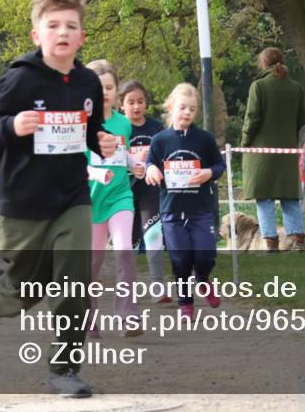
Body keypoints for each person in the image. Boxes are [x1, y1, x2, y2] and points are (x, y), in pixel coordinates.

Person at [0, 0, 116, 398]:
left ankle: (64, 370)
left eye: (71, 26)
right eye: (53, 25)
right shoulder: (22, 79)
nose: (63, 33)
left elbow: (90, 132)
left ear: (82, 37)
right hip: (24, 202)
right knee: (22, 289)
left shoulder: (89, 83)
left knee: (73, 283)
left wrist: (100, 141)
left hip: (72, 197)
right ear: (37, 34)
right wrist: (13, 125)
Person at [145, 83, 225, 319]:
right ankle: (185, 302)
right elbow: (151, 163)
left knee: (205, 254)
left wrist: (209, 173)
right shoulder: (160, 140)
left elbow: (220, 165)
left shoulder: (204, 139)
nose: (188, 113)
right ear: (170, 107)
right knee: (180, 257)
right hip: (172, 211)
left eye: (192, 109)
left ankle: (202, 279)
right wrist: (151, 170)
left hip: (200, 209)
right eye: (183, 107)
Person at [85, 60, 143, 337]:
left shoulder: (122, 123)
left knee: (124, 250)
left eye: (109, 87)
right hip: (89, 200)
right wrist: (97, 175)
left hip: (120, 196)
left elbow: (123, 153)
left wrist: (134, 164)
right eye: (98, 88)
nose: (104, 93)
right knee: (91, 264)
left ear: (116, 90)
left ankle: (128, 316)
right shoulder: (81, 124)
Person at [241, 47, 305, 252]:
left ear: (262, 64)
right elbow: (302, 122)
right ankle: (298, 242)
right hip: (288, 153)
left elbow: (252, 119)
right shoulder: (296, 88)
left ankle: (270, 244)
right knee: (289, 197)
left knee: (265, 198)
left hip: (262, 154)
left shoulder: (258, 86)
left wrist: (244, 142)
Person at [120, 79, 170, 301]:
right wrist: (131, 161)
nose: (136, 106)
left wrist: (152, 161)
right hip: (124, 191)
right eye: (131, 102)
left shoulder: (156, 128)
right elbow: (107, 159)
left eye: (140, 101)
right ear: (121, 105)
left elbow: (166, 155)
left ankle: (158, 286)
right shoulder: (118, 127)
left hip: (151, 190)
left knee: (153, 233)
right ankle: (126, 289)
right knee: (128, 242)